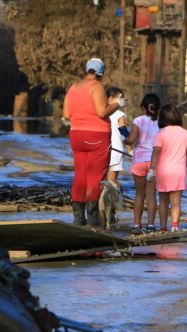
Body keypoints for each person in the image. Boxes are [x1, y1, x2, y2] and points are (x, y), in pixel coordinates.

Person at [63, 58, 122, 226]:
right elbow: (102, 111)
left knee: (80, 174)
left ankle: (78, 217)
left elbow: (67, 114)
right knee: (96, 175)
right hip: (96, 136)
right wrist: (117, 105)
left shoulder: (73, 87)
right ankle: (93, 217)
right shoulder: (97, 87)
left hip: (76, 135)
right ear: (101, 73)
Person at [147, 104, 187, 232]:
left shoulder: (161, 134)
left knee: (163, 201)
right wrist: (185, 164)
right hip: (179, 171)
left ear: (162, 118)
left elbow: (156, 152)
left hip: (163, 171)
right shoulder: (186, 133)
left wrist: (151, 169)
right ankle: (175, 226)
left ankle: (163, 227)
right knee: (176, 202)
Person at [123, 93, 160, 234]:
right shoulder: (160, 122)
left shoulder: (138, 120)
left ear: (142, 107)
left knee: (139, 195)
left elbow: (131, 140)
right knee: (151, 196)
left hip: (139, 162)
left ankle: (136, 225)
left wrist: (125, 139)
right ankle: (150, 225)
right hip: (154, 164)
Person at [106, 86, 129, 189]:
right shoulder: (119, 114)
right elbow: (123, 131)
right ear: (110, 99)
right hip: (116, 151)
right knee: (112, 180)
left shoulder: (102, 113)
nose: (122, 101)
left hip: (104, 149)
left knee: (103, 179)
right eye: (120, 98)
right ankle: (115, 199)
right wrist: (130, 148)